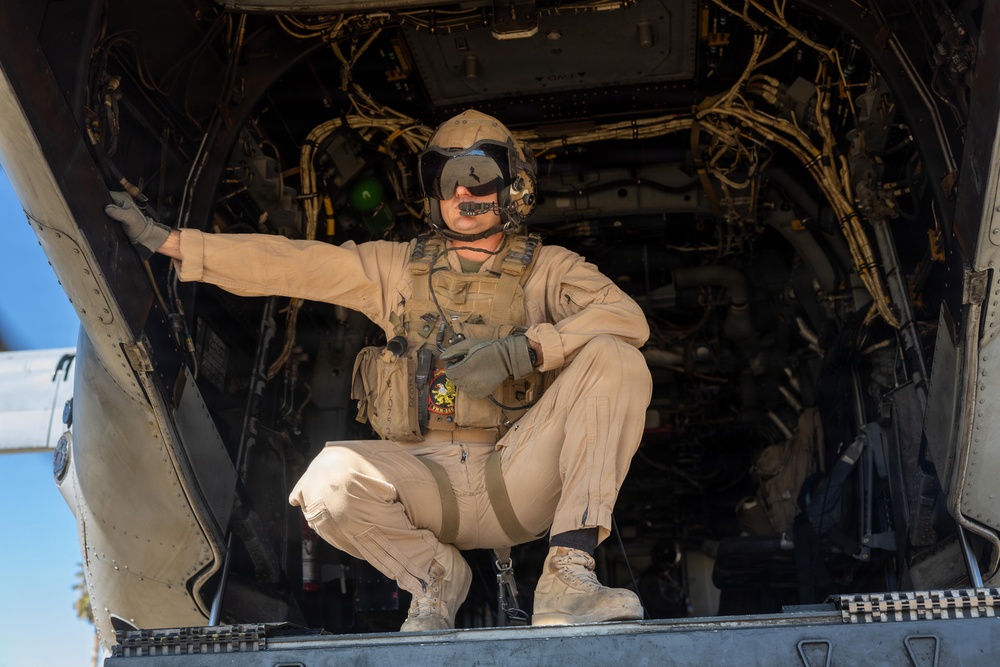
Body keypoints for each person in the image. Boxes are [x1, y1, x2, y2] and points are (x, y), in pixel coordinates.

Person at [106, 109, 653, 631]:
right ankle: (434, 579)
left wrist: (527, 350)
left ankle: (567, 579)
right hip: (424, 485)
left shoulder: (549, 269)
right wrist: (170, 243)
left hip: (516, 474)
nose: (463, 192)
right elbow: (297, 265)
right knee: (325, 482)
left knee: (616, 358)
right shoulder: (394, 269)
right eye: (446, 178)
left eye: (478, 175)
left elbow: (625, 317)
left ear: (514, 186)